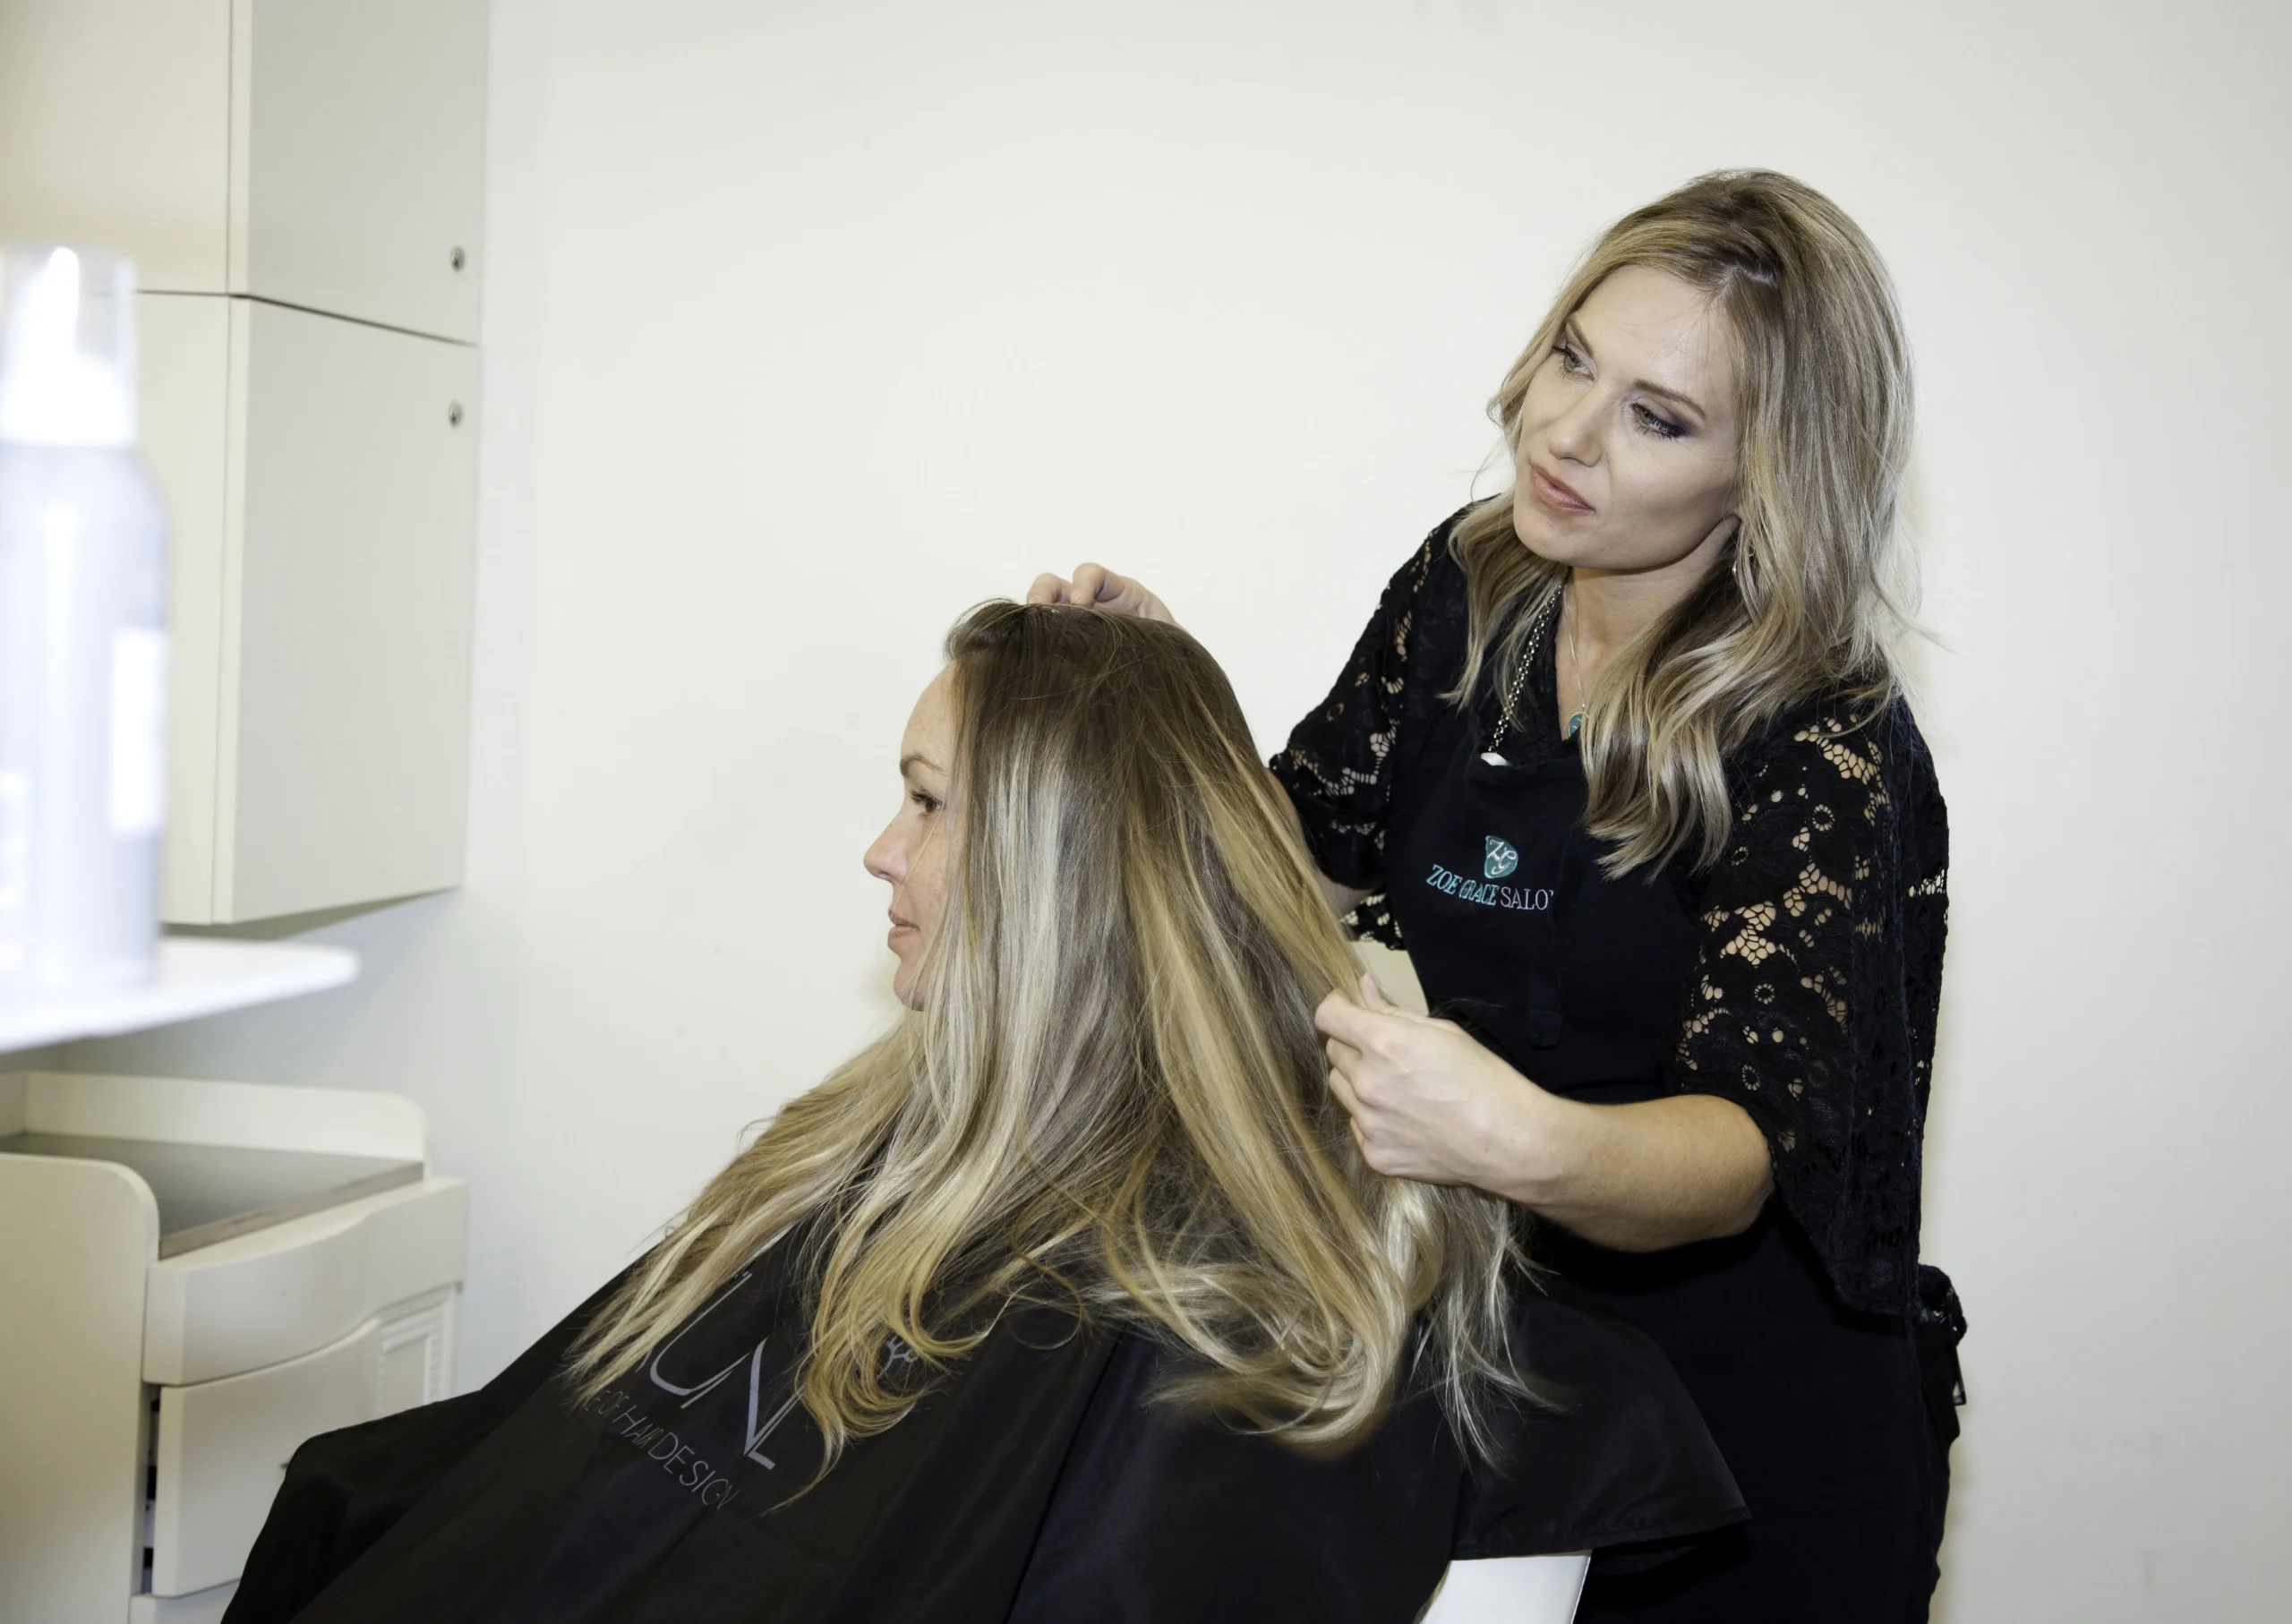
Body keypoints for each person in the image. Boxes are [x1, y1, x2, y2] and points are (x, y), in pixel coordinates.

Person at [224, 602, 1742, 1624]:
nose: (880, 851)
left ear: (1059, 861)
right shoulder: (873, 1150)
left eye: (932, 800)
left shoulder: (1214, 1298)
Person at [1029, 168, 1964, 1622]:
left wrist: (1513, 1135)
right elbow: (1293, 866)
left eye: (1657, 417)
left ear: (1765, 473)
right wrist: (1163, 702)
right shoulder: (1468, 592)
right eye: (1574, 357)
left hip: (1757, 1438)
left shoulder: (1823, 733)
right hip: (1513, 1361)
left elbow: (1738, 1157)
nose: (1567, 431)